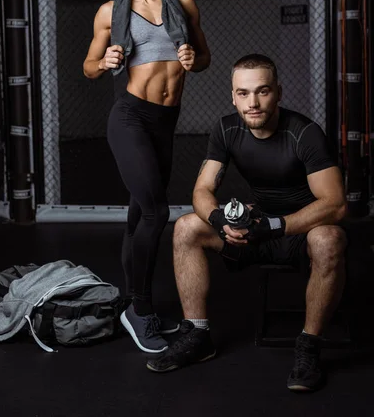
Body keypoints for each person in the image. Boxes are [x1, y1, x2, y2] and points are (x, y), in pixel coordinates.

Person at [147, 54, 348, 392]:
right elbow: (202, 189)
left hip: (300, 231)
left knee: (329, 238)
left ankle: (309, 347)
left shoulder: (305, 134)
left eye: (262, 91)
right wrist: (219, 219)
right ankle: (197, 335)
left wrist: (273, 226)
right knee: (186, 227)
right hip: (257, 229)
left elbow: (335, 204)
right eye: (243, 93)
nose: (252, 103)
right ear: (233, 96)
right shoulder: (227, 129)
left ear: (279, 92)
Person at [83, 0, 211, 354]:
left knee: (139, 215)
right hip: (129, 117)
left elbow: (205, 58)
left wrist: (194, 58)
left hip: (165, 121)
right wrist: (104, 60)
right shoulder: (108, 12)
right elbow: (87, 67)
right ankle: (140, 308)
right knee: (157, 212)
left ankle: (130, 301)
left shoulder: (184, 4)